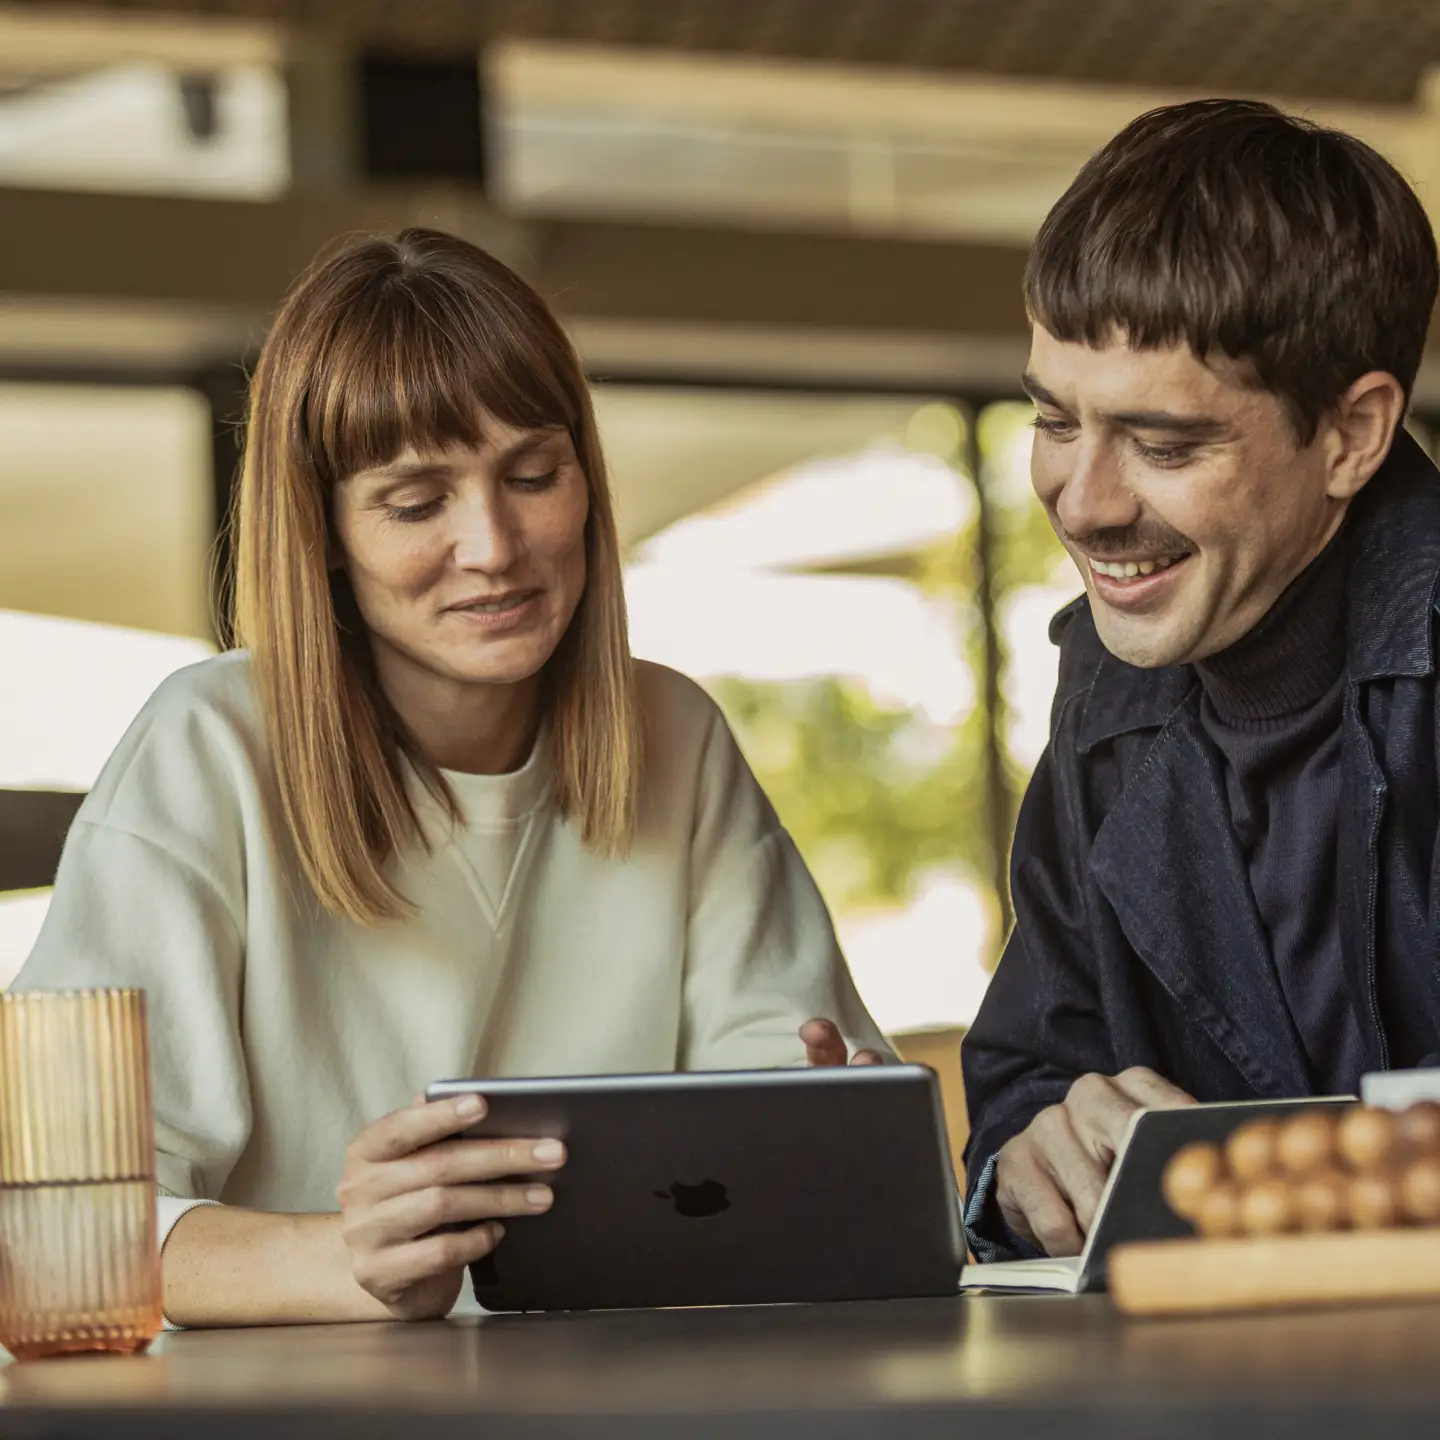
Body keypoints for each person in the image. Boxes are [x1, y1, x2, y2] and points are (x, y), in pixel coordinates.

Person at [14, 228, 888, 1327]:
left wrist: (819, 1140)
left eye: (533, 475)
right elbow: (45, 1241)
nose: (495, 544)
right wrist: (349, 1260)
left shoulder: (677, 734)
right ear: (324, 531)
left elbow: (794, 1152)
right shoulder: (210, 746)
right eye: (417, 502)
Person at [961, 98, 1440, 1261]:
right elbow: (1034, 1071)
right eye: (1053, 420)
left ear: (1351, 436)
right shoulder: (1104, 691)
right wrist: (1031, 1157)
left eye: (1166, 446)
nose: (1082, 502)